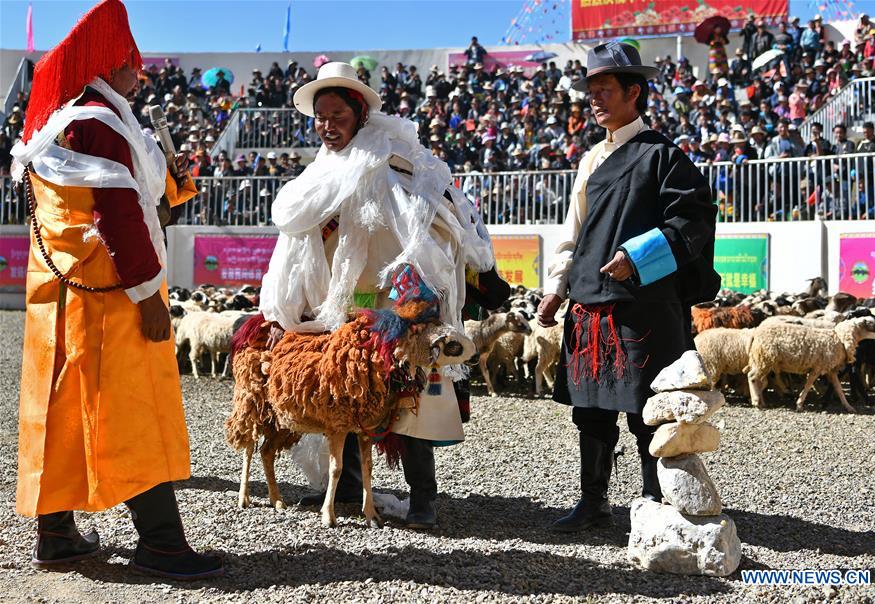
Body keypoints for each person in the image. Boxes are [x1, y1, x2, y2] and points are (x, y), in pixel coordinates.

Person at [10, 0, 222, 579]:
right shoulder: (100, 122)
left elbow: (112, 199)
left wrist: (172, 189)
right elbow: (117, 213)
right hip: (110, 296)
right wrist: (149, 294)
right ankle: (163, 544)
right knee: (132, 410)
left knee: (59, 411)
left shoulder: (64, 119)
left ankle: (56, 535)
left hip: (62, 295)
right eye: (132, 61)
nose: (140, 73)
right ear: (109, 63)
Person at [258, 62, 508, 530]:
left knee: (412, 397)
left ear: (359, 114)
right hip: (341, 305)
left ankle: (423, 498)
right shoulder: (317, 175)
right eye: (320, 117)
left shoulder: (395, 160)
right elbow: (295, 244)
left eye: (337, 116)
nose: (327, 126)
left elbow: (445, 209)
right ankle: (348, 485)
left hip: (399, 301)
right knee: (345, 390)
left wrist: (470, 271)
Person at [537, 42, 718, 533]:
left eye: (604, 90)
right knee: (590, 409)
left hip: (644, 306)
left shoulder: (664, 157)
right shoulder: (590, 159)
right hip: (589, 305)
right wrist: (556, 287)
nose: (594, 99)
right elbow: (574, 231)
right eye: (590, 91)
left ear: (634, 92)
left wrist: (637, 257)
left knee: (647, 410)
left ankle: (656, 502)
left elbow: (693, 220)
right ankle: (593, 502)